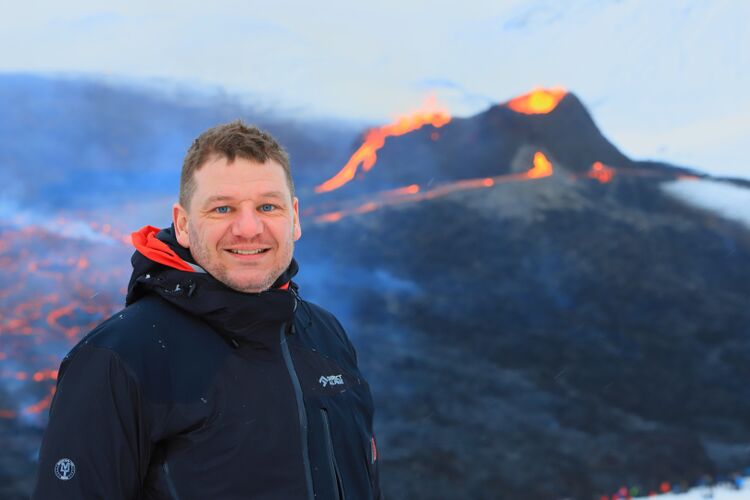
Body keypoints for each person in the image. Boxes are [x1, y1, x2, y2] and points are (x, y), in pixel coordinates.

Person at [32, 121, 381, 499]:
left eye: (267, 206)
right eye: (222, 208)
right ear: (183, 225)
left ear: (294, 217)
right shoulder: (118, 358)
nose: (248, 228)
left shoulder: (326, 334)